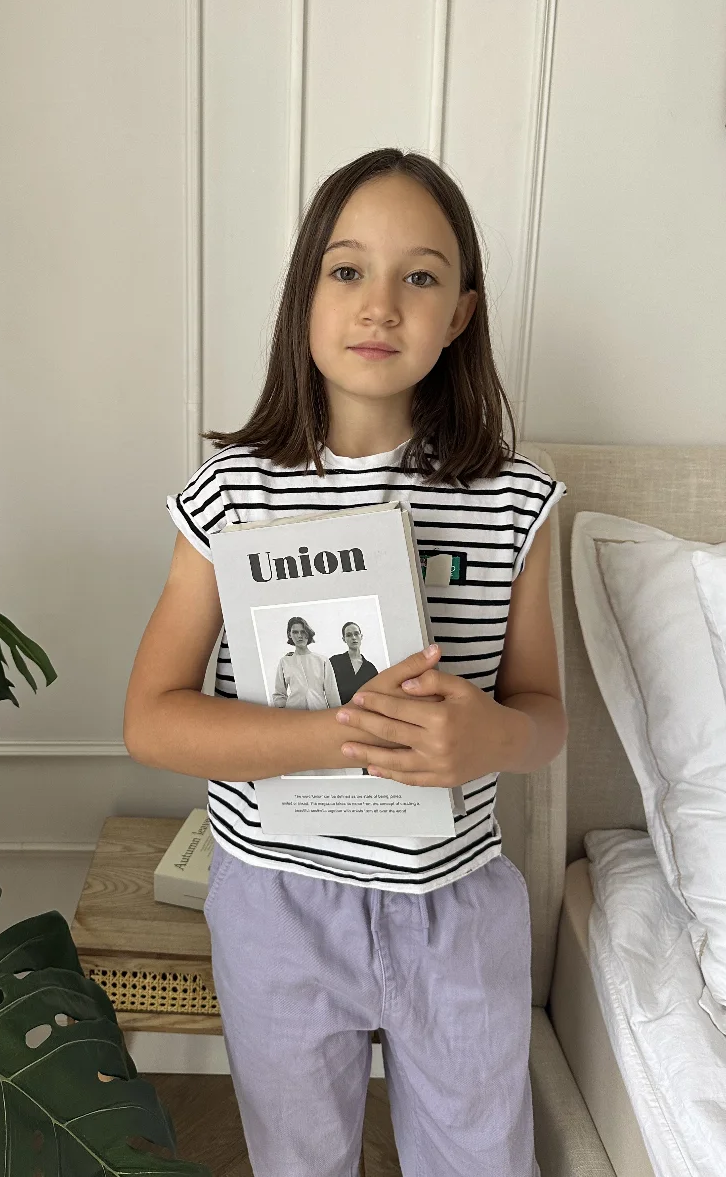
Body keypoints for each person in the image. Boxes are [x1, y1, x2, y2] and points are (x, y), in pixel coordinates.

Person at [123, 148, 567, 1177]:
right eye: (347, 269)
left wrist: (490, 735)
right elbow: (152, 717)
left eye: (420, 276)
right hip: (277, 902)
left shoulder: (514, 499)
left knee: (480, 1160)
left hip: (453, 903)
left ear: (459, 314)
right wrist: (341, 735)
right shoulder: (234, 493)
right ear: (305, 294)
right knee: (299, 1159)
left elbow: (544, 716)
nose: (380, 304)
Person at [271, 616, 342, 711]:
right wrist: (285, 713)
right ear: (289, 635)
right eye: (295, 632)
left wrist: (335, 714)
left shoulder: (322, 661)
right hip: (294, 714)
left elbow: (332, 693)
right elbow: (279, 694)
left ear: (308, 634)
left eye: (303, 632)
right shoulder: (285, 662)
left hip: (319, 712)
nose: (300, 636)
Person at [329, 620, 379, 705]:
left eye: (356, 634)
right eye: (349, 635)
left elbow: (375, 694)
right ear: (344, 639)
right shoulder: (334, 662)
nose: (353, 637)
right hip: (341, 710)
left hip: (364, 710)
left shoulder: (370, 668)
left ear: (361, 636)